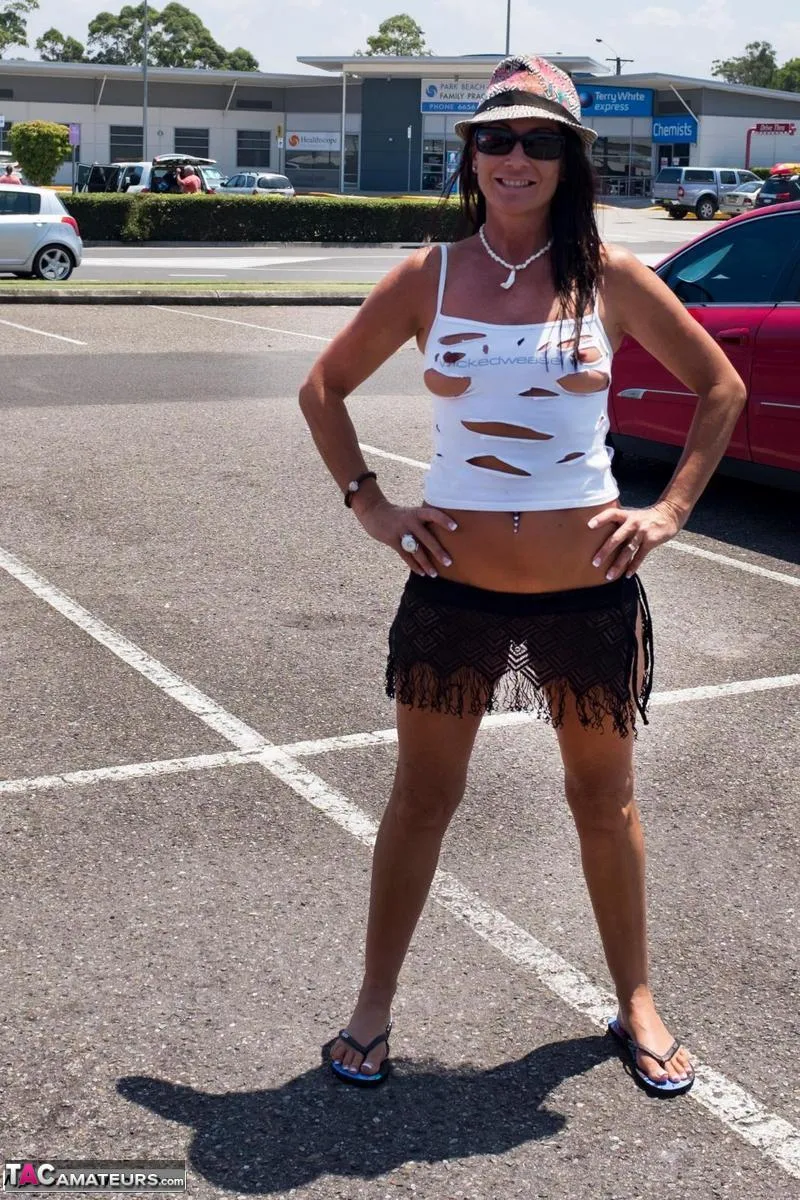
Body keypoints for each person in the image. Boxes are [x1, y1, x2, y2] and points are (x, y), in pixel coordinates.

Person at [299, 54, 746, 1096]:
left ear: (567, 159)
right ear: (470, 154)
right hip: (452, 591)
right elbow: (322, 388)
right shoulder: (428, 277)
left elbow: (718, 388)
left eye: (539, 140)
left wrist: (670, 510)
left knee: (603, 798)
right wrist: (371, 504)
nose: (515, 157)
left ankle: (636, 1000)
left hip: (585, 593)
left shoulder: (611, 276)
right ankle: (371, 1008)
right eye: (496, 138)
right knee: (421, 798)